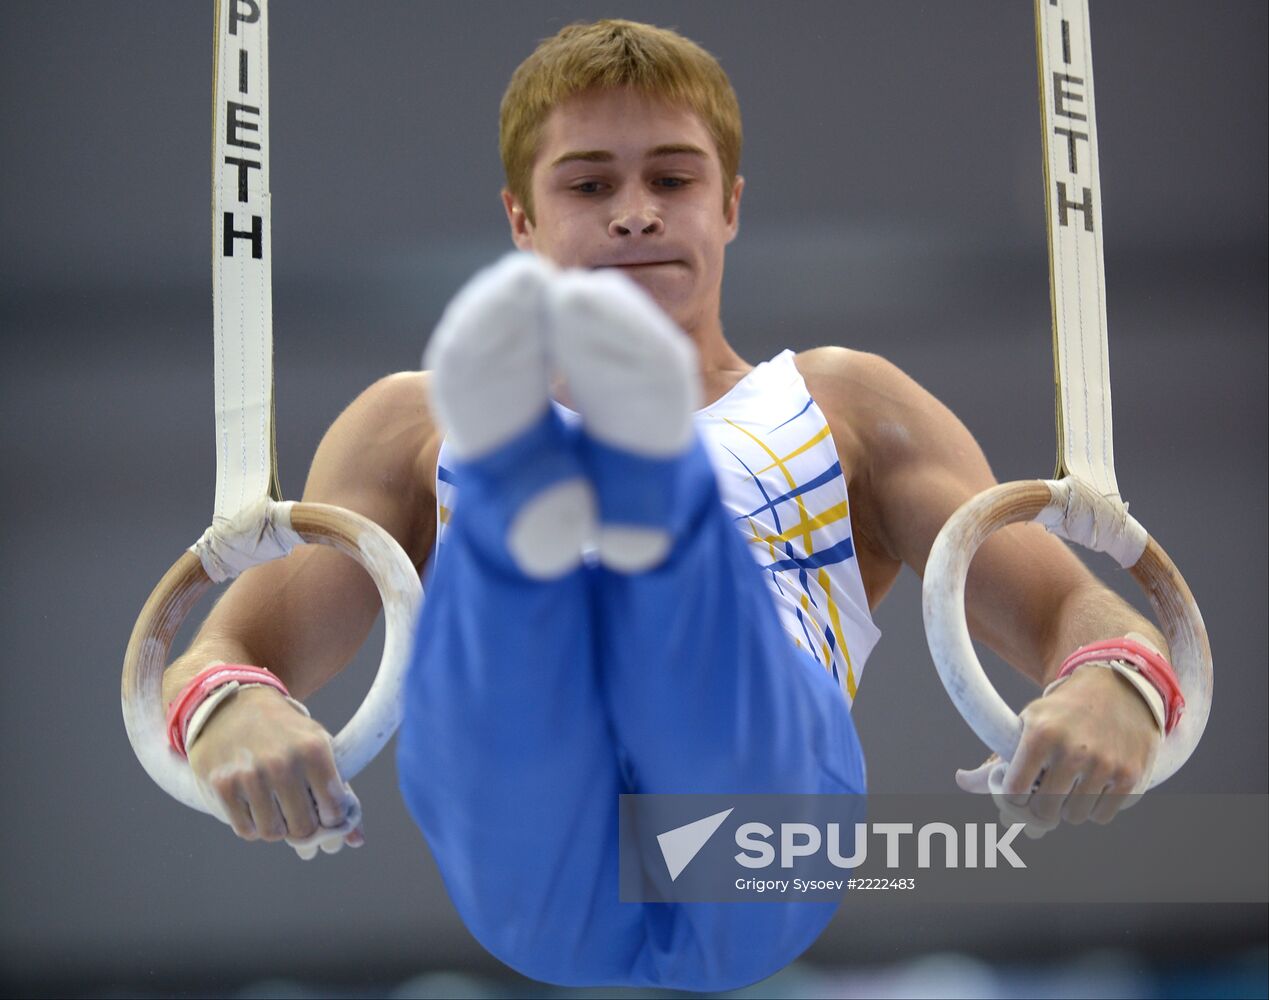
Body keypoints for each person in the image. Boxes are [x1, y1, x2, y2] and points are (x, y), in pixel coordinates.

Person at [162, 18, 1169, 992]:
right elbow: (230, 649)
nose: (635, 211)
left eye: (673, 179)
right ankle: (571, 517)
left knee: (682, 631)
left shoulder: (845, 405)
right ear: (522, 216)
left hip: (753, 836)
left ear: (729, 203)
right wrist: (229, 707)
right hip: (530, 842)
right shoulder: (411, 422)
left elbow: (1074, 611)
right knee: (498, 632)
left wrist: (1108, 682)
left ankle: (640, 510)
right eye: (590, 182)